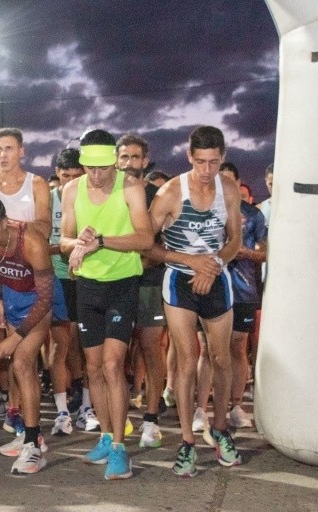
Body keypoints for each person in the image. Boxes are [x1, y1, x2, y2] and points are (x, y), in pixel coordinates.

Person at [146, 126, 243, 477]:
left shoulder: (227, 188)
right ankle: (187, 440)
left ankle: (219, 429)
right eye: (200, 162)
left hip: (217, 277)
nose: (206, 170)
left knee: (221, 357)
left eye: (213, 162)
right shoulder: (171, 191)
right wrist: (191, 261)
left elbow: (234, 241)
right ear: (189, 157)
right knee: (188, 360)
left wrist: (215, 263)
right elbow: (147, 244)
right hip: (179, 279)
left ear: (222, 158)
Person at [59, 129, 153, 480]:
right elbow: (64, 239)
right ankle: (105, 436)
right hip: (88, 285)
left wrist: (102, 241)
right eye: (89, 168)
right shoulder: (72, 189)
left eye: (102, 168)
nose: (96, 176)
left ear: (114, 160)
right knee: (93, 368)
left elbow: (145, 238)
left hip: (122, 284)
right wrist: (78, 243)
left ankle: (119, 448)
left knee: (114, 366)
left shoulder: (130, 187)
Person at [0, 195, 68, 474]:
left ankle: (34, 448)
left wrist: (14, 338)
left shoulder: (31, 242)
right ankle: (30, 437)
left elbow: (46, 299)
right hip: (13, 296)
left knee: (22, 362)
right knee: (21, 369)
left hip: (39, 301)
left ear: (4, 223)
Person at [0, 127, 51, 448]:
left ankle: (18, 413)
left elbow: (44, 226)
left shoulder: (37, 184)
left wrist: (11, 230)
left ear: (22, 152)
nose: (3, 155)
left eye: (9, 148)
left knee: (21, 353)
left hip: (29, 275)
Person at [117, 134, 168, 449]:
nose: (129, 164)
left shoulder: (157, 196)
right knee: (115, 352)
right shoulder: (106, 193)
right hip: (116, 281)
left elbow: (159, 244)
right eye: (124, 157)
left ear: (145, 162)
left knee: (151, 348)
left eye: (135, 158)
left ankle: (151, 419)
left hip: (149, 281)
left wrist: (140, 255)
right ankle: (117, 418)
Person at [46, 148, 94, 436]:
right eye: (66, 177)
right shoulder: (47, 199)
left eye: (78, 176)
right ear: (57, 174)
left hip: (89, 277)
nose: (71, 183)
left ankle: (86, 408)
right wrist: (65, 247)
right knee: (58, 347)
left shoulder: (92, 197)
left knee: (90, 348)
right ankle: (62, 411)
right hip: (57, 279)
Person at [217, 163, 267, 429]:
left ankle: (236, 406)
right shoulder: (207, 210)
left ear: (238, 183)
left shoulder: (253, 215)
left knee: (237, 347)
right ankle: (206, 407)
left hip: (244, 289)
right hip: (212, 288)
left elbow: (265, 252)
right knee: (212, 351)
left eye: (229, 181)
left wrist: (242, 252)